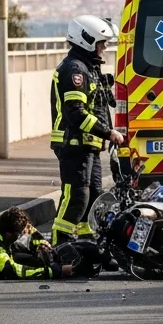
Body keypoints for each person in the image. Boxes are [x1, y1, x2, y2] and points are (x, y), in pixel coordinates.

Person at [50, 15, 124, 243]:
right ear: (87, 40)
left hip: (88, 145)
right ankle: (60, 242)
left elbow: (99, 105)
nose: (104, 48)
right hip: (73, 143)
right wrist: (108, 133)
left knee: (93, 195)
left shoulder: (89, 68)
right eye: (102, 43)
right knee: (77, 196)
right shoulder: (75, 70)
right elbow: (76, 114)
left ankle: (85, 240)